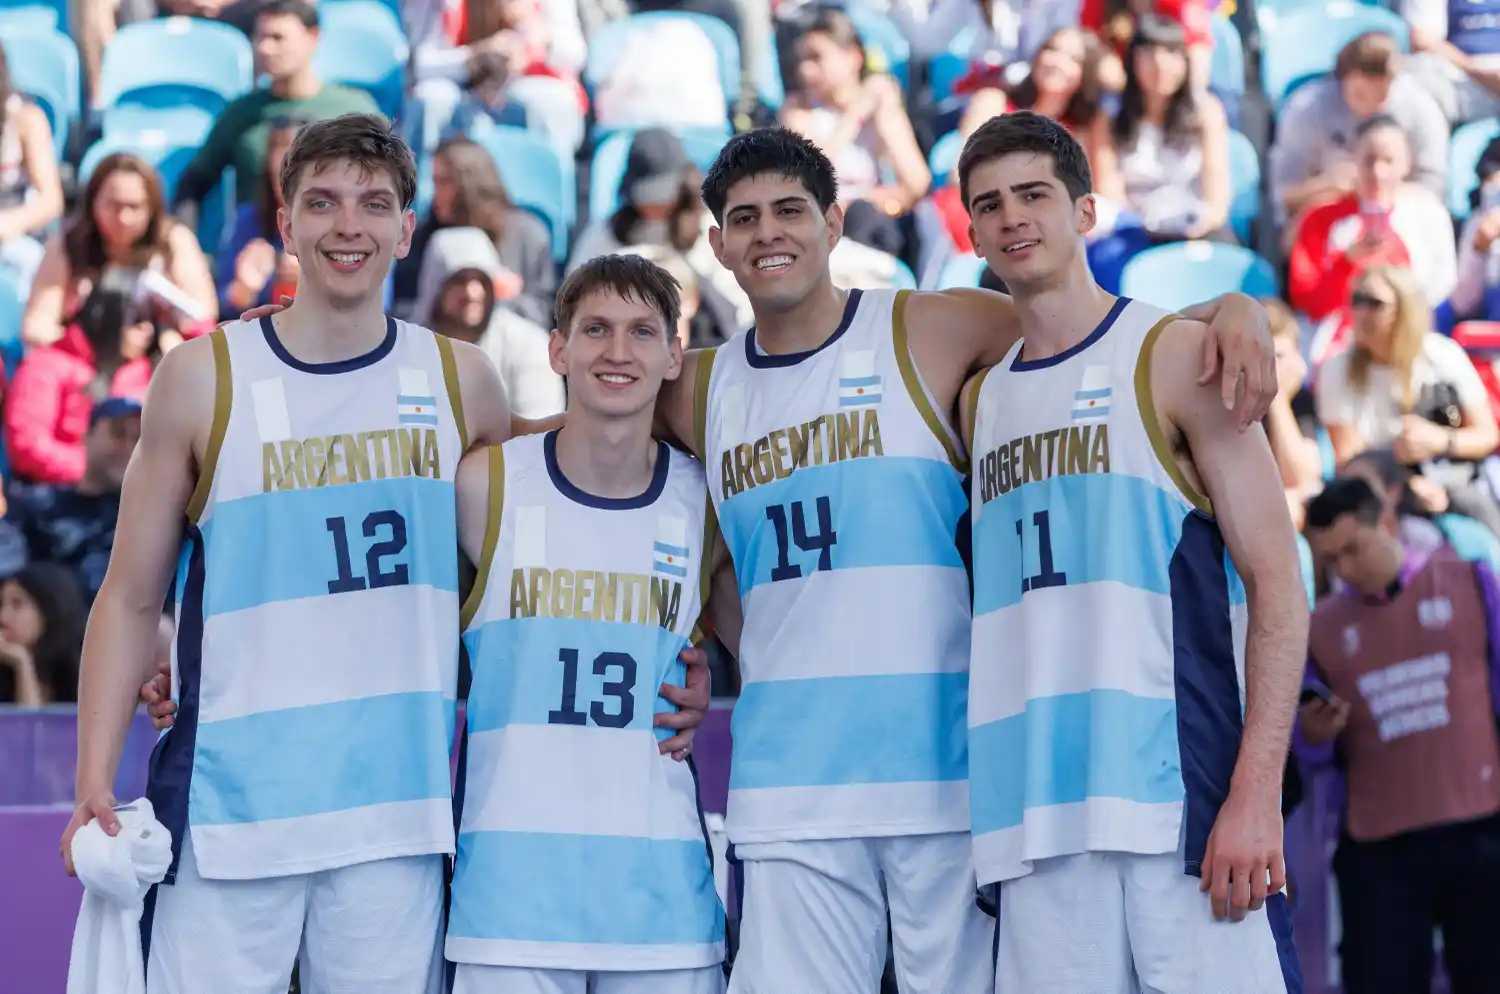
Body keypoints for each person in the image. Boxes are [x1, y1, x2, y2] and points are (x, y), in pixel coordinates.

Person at [240, 123, 1278, 993]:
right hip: (791, 797)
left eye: (791, 212)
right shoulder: (700, 387)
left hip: (954, 785)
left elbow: (1078, 324)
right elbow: (582, 446)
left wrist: (1225, 311)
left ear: (834, 224)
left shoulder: (932, 329)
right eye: (745, 219)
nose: (769, 233)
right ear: (720, 247)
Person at [62, 113, 707, 994]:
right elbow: (131, 597)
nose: (348, 225)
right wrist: (93, 779)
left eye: (374, 204)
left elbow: (577, 494)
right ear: (283, 223)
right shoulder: (203, 376)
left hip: (396, 824)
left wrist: (682, 657)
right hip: (229, 813)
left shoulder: (460, 379)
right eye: (321, 202)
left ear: (409, 228)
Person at [953, 110, 1307, 991]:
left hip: (1175, 804)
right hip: (1032, 819)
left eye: (1035, 194)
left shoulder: (1178, 357)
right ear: (972, 232)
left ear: (1086, 212)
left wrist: (1255, 794)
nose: (1013, 217)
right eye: (990, 204)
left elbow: (1279, 586)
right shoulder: (977, 402)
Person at [446, 253, 740, 994]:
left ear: (677, 355)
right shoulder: (482, 484)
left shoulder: (707, 500)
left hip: (663, 908)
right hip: (508, 911)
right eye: (596, 329)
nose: (617, 351)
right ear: (557, 348)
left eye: (644, 331)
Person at [1300, 476, 1500, 994]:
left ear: (1386, 522)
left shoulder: (1472, 583)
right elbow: (1309, 754)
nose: (1344, 569)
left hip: (1480, 827)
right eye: (1330, 560)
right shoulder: (1319, 627)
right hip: (1380, 847)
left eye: (1352, 549)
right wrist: (1316, 735)